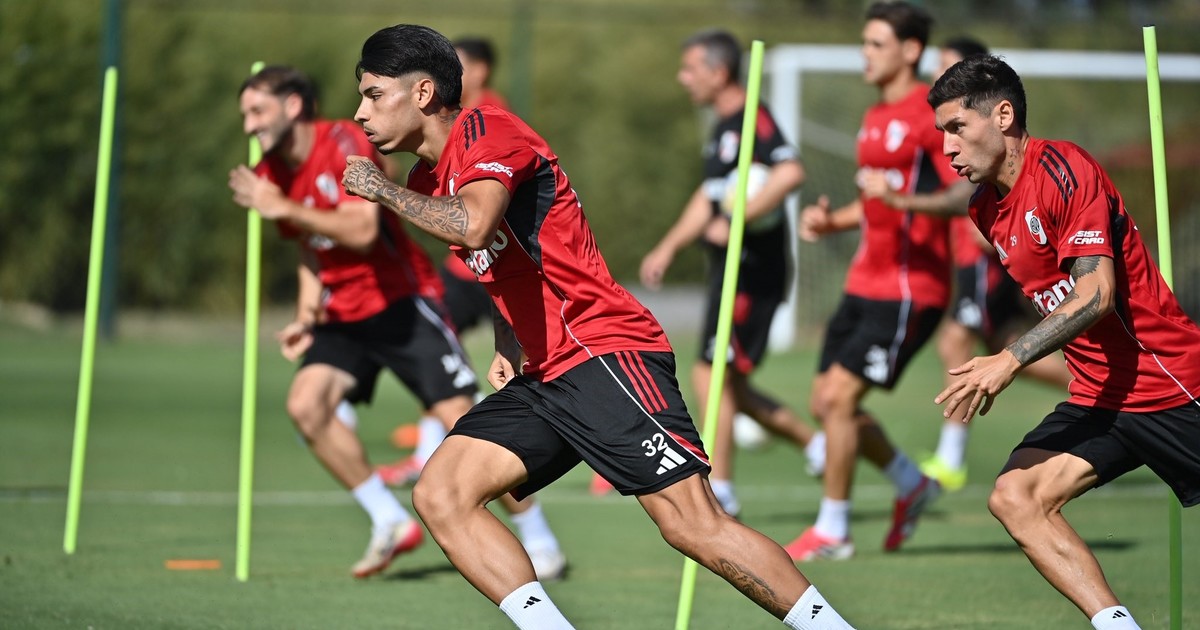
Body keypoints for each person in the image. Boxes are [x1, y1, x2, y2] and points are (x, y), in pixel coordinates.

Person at [342, 23, 855, 629]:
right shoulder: (426, 180)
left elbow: (475, 226)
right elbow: (499, 263)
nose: (361, 112)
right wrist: (507, 339)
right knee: (442, 494)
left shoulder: (485, 129)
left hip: (601, 350)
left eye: (374, 95)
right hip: (545, 375)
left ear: (424, 93)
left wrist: (379, 189)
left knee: (692, 525)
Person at [228, 66, 564, 582]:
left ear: (292, 106)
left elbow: (362, 230)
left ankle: (540, 540)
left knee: (462, 420)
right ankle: (388, 519)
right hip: (343, 315)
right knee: (306, 405)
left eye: (257, 111)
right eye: (245, 115)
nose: (249, 125)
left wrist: (281, 205)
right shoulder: (270, 172)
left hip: (402, 304)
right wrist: (305, 314)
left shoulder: (342, 141)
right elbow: (309, 248)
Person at [928, 53, 1200, 630]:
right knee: (1016, 497)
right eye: (942, 132)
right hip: (1101, 398)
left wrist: (1009, 359)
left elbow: (1096, 295)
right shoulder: (984, 209)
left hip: (1169, 383)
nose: (947, 148)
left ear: (1003, 116)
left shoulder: (1062, 167)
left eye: (957, 128)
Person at [784, 1, 961, 561]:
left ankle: (833, 531)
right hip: (864, 281)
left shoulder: (932, 115)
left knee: (839, 398)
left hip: (910, 288)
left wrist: (903, 200)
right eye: (864, 42)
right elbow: (875, 201)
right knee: (824, 401)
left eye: (876, 43)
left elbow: (964, 192)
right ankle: (912, 483)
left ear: (910, 51)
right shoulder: (875, 115)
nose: (865, 53)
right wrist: (831, 221)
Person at [866, 36, 1071, 492]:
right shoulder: (964, 158)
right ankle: (1088, 383)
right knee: (995, 344)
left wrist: (903, 202)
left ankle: (951, 456)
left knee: (960, 340)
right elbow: (960, 196)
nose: (949, 145)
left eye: (946, 65)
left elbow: (960, 196)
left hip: (982, 256)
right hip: (970, 253)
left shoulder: (1040, 163)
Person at [637, 28, 821, 516]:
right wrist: (669, 247)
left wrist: (740, 215)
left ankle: (722, 490)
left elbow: (790, 172)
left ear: (718, 73)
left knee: (711, 373)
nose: (683, 78)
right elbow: (709, 197)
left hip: (753, 272)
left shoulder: (753, 118)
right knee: (731, 385)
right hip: (730, 272)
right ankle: (820, 446)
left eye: (690, 69)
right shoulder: (721, 127)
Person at [379, 36, 510, 482]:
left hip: (487, 268)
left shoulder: (488, 117)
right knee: (435, 353)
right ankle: (429, 449)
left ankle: (458, 437)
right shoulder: (441, 134)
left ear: (481, 71)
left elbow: (477, 219)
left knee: (449, 356)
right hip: (466, 269)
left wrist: (383, 189)